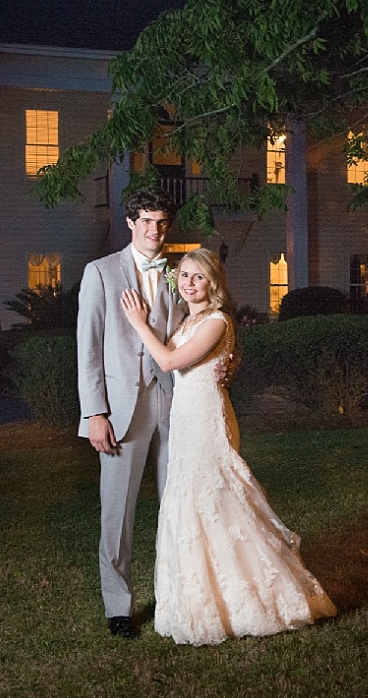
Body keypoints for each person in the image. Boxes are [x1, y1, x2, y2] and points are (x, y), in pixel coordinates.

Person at [120, 248, 337, 645]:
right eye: (183, 275)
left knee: (218, 498)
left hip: (207, 420)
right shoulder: (190, 319)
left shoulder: (217, 321)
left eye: (197, 276)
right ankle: (199, 599)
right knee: (191, 500)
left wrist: (137, 322)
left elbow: (169, 362)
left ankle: (257, 597)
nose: (188, 282)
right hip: (187, 418)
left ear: (213, 283)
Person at [76, 187, 186, 640]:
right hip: (122, 408)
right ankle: (119, 606)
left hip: (174, 404)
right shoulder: (101, 272)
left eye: (161, 223)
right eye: (145, 222)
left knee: (177, 506)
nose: (154, 231)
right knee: (117, 513)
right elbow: (88, 349)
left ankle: (174, 594)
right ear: (129, 222)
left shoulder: (181, 273)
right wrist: (94, 413)